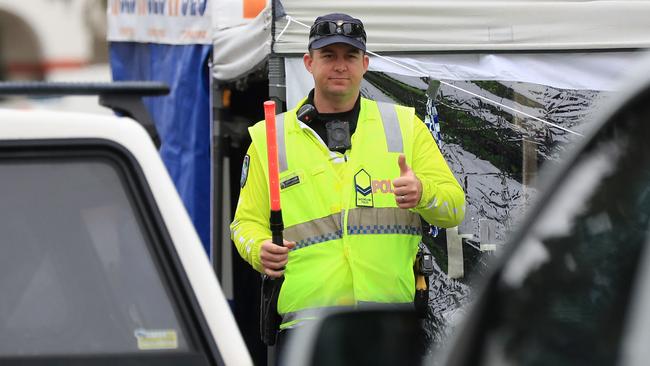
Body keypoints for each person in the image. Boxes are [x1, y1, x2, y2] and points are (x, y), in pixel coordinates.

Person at [230, 11, 465, 345]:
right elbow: (244, 225)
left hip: (387, 324)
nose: (340, 65)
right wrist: (259, 250)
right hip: (308, 327)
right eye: (329, 55)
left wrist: (423, 193)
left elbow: (454, 208)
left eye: (350, 56)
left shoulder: (405, 126)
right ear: (309, 63)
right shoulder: (270, 137)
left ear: (365, 63)